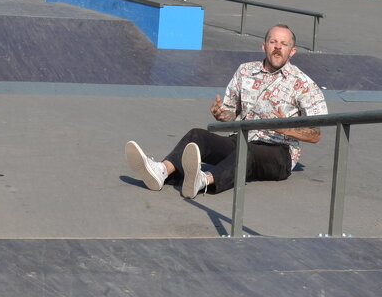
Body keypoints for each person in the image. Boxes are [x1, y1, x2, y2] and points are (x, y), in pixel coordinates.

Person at [124, 24, 327, 198]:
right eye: (273, 42)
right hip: (240, 140)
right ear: (264, 46)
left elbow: (316, 134)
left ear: (292, 51)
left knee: (248, 152)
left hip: (278, 154)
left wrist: (286, 130)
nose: (277, 48)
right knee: (197, 135)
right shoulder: (245, 71)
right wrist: (221, 114)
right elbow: (231, 112)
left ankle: (204, 181)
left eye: (284, 44)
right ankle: (161, 171)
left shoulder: (303, 84)